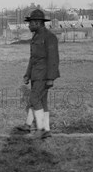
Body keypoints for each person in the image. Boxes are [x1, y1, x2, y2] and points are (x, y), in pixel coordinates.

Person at [16, 9, 60, 138]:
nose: (28, 25)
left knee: (34, 99)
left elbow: (53, 58)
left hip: (44, 75)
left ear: (37, 23)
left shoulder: (49, 37)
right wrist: (27, 74)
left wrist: (51, 78)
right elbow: (33, 58)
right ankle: (39, 127)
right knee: (42, 101)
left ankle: (41, 129)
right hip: (36, 75)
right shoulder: (36, 37)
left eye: (30, 23)